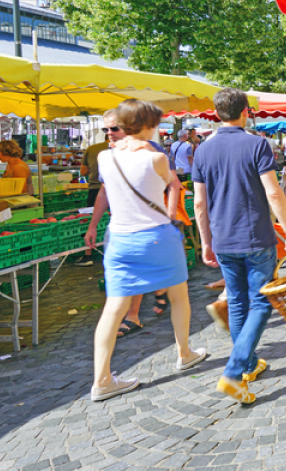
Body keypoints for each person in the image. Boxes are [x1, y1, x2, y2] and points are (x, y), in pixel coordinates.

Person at [89, 99, 206, 402]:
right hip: (155, 235)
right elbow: (173, 186)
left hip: (119, 238)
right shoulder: (155, 159)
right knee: (178, 296)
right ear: (147, 125)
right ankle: (184, 352)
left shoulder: (105, 157)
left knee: (113, 309)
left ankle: (101, 380)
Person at [194, 88, 286, 404]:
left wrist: (205, 241)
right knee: (261, 303)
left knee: (239, 302)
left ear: (217, 114)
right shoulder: (257, 144)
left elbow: (199, 203)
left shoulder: (202, 150)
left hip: (224, 238)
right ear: (245, 112)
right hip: (256, 237)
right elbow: (273, 193)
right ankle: (233, 372)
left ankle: (249, 365)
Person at [78, 112, 123, 266]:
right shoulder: (105, 156)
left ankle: (88, 254)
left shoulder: (92, 149)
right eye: (106, 130)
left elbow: (83, 172)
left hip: (94, 187)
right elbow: (104, 191)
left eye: (114, 129)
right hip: (120, 227)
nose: (110, 133)